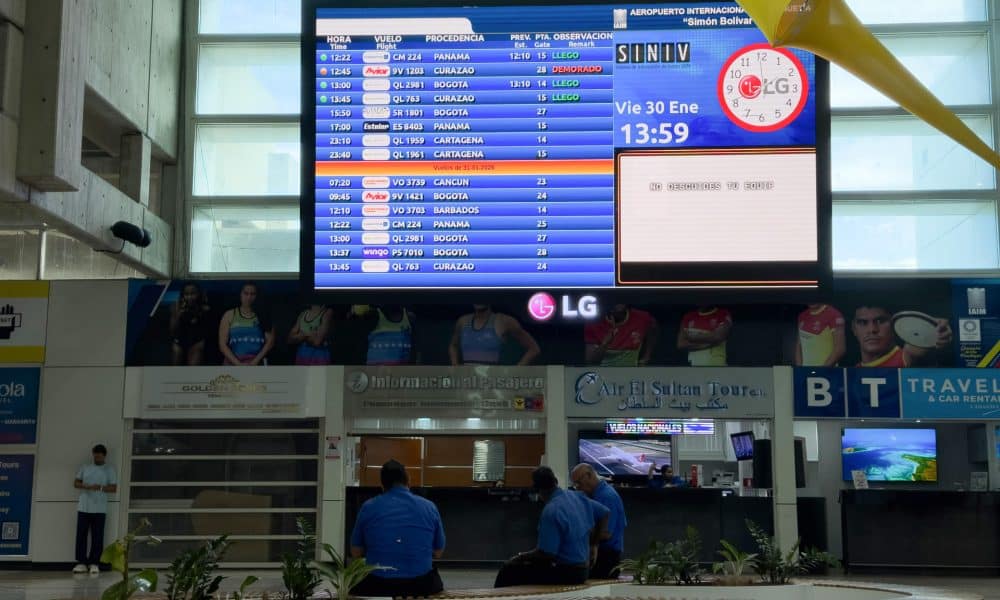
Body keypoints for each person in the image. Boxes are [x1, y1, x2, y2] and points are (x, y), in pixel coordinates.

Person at [494, 466, 610, 588]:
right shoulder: (576, 496)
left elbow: (547, 554)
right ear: (555, 481)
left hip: (568, 573)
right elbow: (605, 512)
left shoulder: (551, 511)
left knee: (508, 570)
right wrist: (594, 544)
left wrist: (520, 557)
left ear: (537, 489)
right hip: (584, 570)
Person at [350, 460, 446, 598]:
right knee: (434, 579)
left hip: (378, 584)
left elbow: (355, 552)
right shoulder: (429, 506)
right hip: (421, 584)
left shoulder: (368, 507)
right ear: (408, 481)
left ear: (382, 485)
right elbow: (438, 552)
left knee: (354, 582)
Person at [851, 303, 952, 367]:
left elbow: (916, 350)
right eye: (863, 322)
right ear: (854, 329)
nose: (872, 329)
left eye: (880, 321)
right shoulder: (853, 372)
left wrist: (936, 331)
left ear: (894, 325)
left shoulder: (906, 357)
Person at [570, 463, 626, 580]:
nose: (578, 488)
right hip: (601, 555)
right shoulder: (596, 495)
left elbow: (605, 534)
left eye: (579, 483)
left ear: (589, 476)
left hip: (605, 559)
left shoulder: (606, 496)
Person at [73, 445, 117, 575]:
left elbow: (114, 488)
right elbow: (75, 483)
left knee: (98, 537)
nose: (97, 458)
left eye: (99, 456)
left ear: (104, 456)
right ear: (93, 454)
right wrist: (85, 486)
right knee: (81, 535)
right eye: (95, 456)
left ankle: (94, 563)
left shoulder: (109, 469)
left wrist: (100, 488)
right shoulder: (85, 467)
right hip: (84, 507)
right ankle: (81, 563)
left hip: (99, 509)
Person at [449, 304, 540, 365]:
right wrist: (455, 366)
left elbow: (534, 349)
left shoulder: (504, 320)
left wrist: (516, 370)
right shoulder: (463, 321)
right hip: (468, 383)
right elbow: (453, 345)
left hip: (493, 383)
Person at [218, 282, 275, 366]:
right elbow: (222, 344)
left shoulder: (263, 315)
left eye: (252, 294)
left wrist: (254, 362)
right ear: (240, 294)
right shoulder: (229, 315)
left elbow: (270, 343)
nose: (249, 297)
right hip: (232, 364)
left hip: (257, 364)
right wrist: (238, 364)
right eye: (246, 293)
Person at [584, 304, 659, 366]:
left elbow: (652, 329)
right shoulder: (593, 323)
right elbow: (591, 361)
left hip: (630, 372)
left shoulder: (643, 317)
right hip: (603, 373)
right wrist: (605, 344)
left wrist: (646, 356)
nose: (617, 300)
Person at [169, 283, 211, 366]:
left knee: (196, 355)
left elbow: (207, 331)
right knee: (176, 353)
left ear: (198, 294)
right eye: (186, 294)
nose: (189, 297)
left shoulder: (205, 308)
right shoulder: (176, 306)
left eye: (193, 294)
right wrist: (177, 316)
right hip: (179, 340)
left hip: (196, 341)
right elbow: (172, 331)